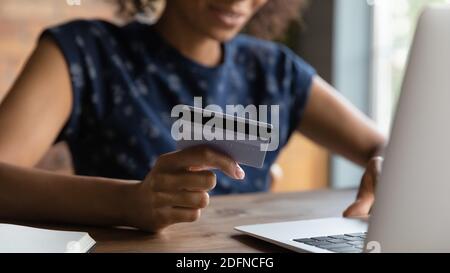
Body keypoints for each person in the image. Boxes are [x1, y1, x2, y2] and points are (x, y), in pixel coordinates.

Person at [0, 0, 385, 232]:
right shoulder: (86, 52)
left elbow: (382, 146)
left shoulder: (275, 71)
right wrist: (129, 203)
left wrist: (389, 168)